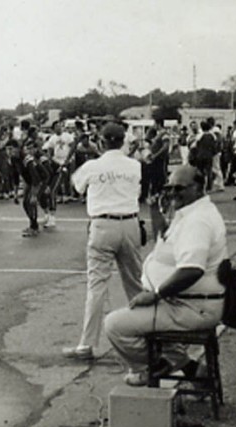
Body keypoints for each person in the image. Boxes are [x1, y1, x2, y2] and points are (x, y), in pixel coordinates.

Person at [104, 165, 227, 386]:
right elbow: (166, 236)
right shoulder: (191, 211)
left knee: (115, 325)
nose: (172, 193)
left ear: (199, 188)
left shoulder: (197, 221)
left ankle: (152, 369)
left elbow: (192, 269)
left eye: (179, 188)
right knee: (151, 326)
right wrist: (155, 212)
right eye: (169, 187)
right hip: (189, 302)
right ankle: (189, 369)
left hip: (192, 307)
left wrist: (157, 294)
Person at [64, 122, 143, 360]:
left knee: (96, 285)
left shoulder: (93, 165)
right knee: (135, 283)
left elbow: (76, 186)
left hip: (102, 224)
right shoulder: (134, 165)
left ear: (102, 141)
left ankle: (86, 345)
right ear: (123, 141)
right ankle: (146, 335)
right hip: (130, 222)